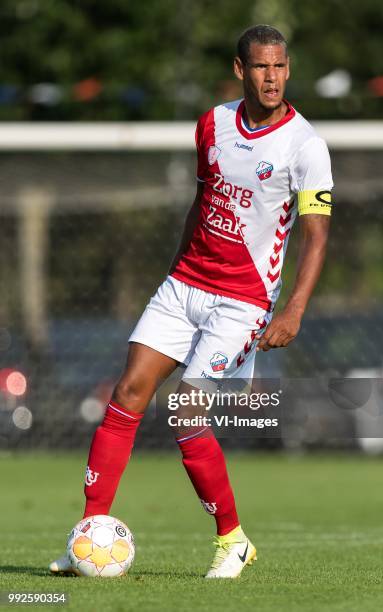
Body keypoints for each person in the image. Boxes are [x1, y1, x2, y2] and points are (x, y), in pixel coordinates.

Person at [50, 24, 333, 579]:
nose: (270, 77)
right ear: (240, 70)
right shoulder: (213, 124)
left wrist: (294, 308)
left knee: (183, 410)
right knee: (128, 392)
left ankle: (233, 540)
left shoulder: (305, 145)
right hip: (185, 285)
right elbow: (202, 200)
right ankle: (87, 534)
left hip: (243, 300)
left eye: (279, 66)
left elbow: (317, 234)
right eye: (260, 67)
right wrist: (176, 269)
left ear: (288, 68)